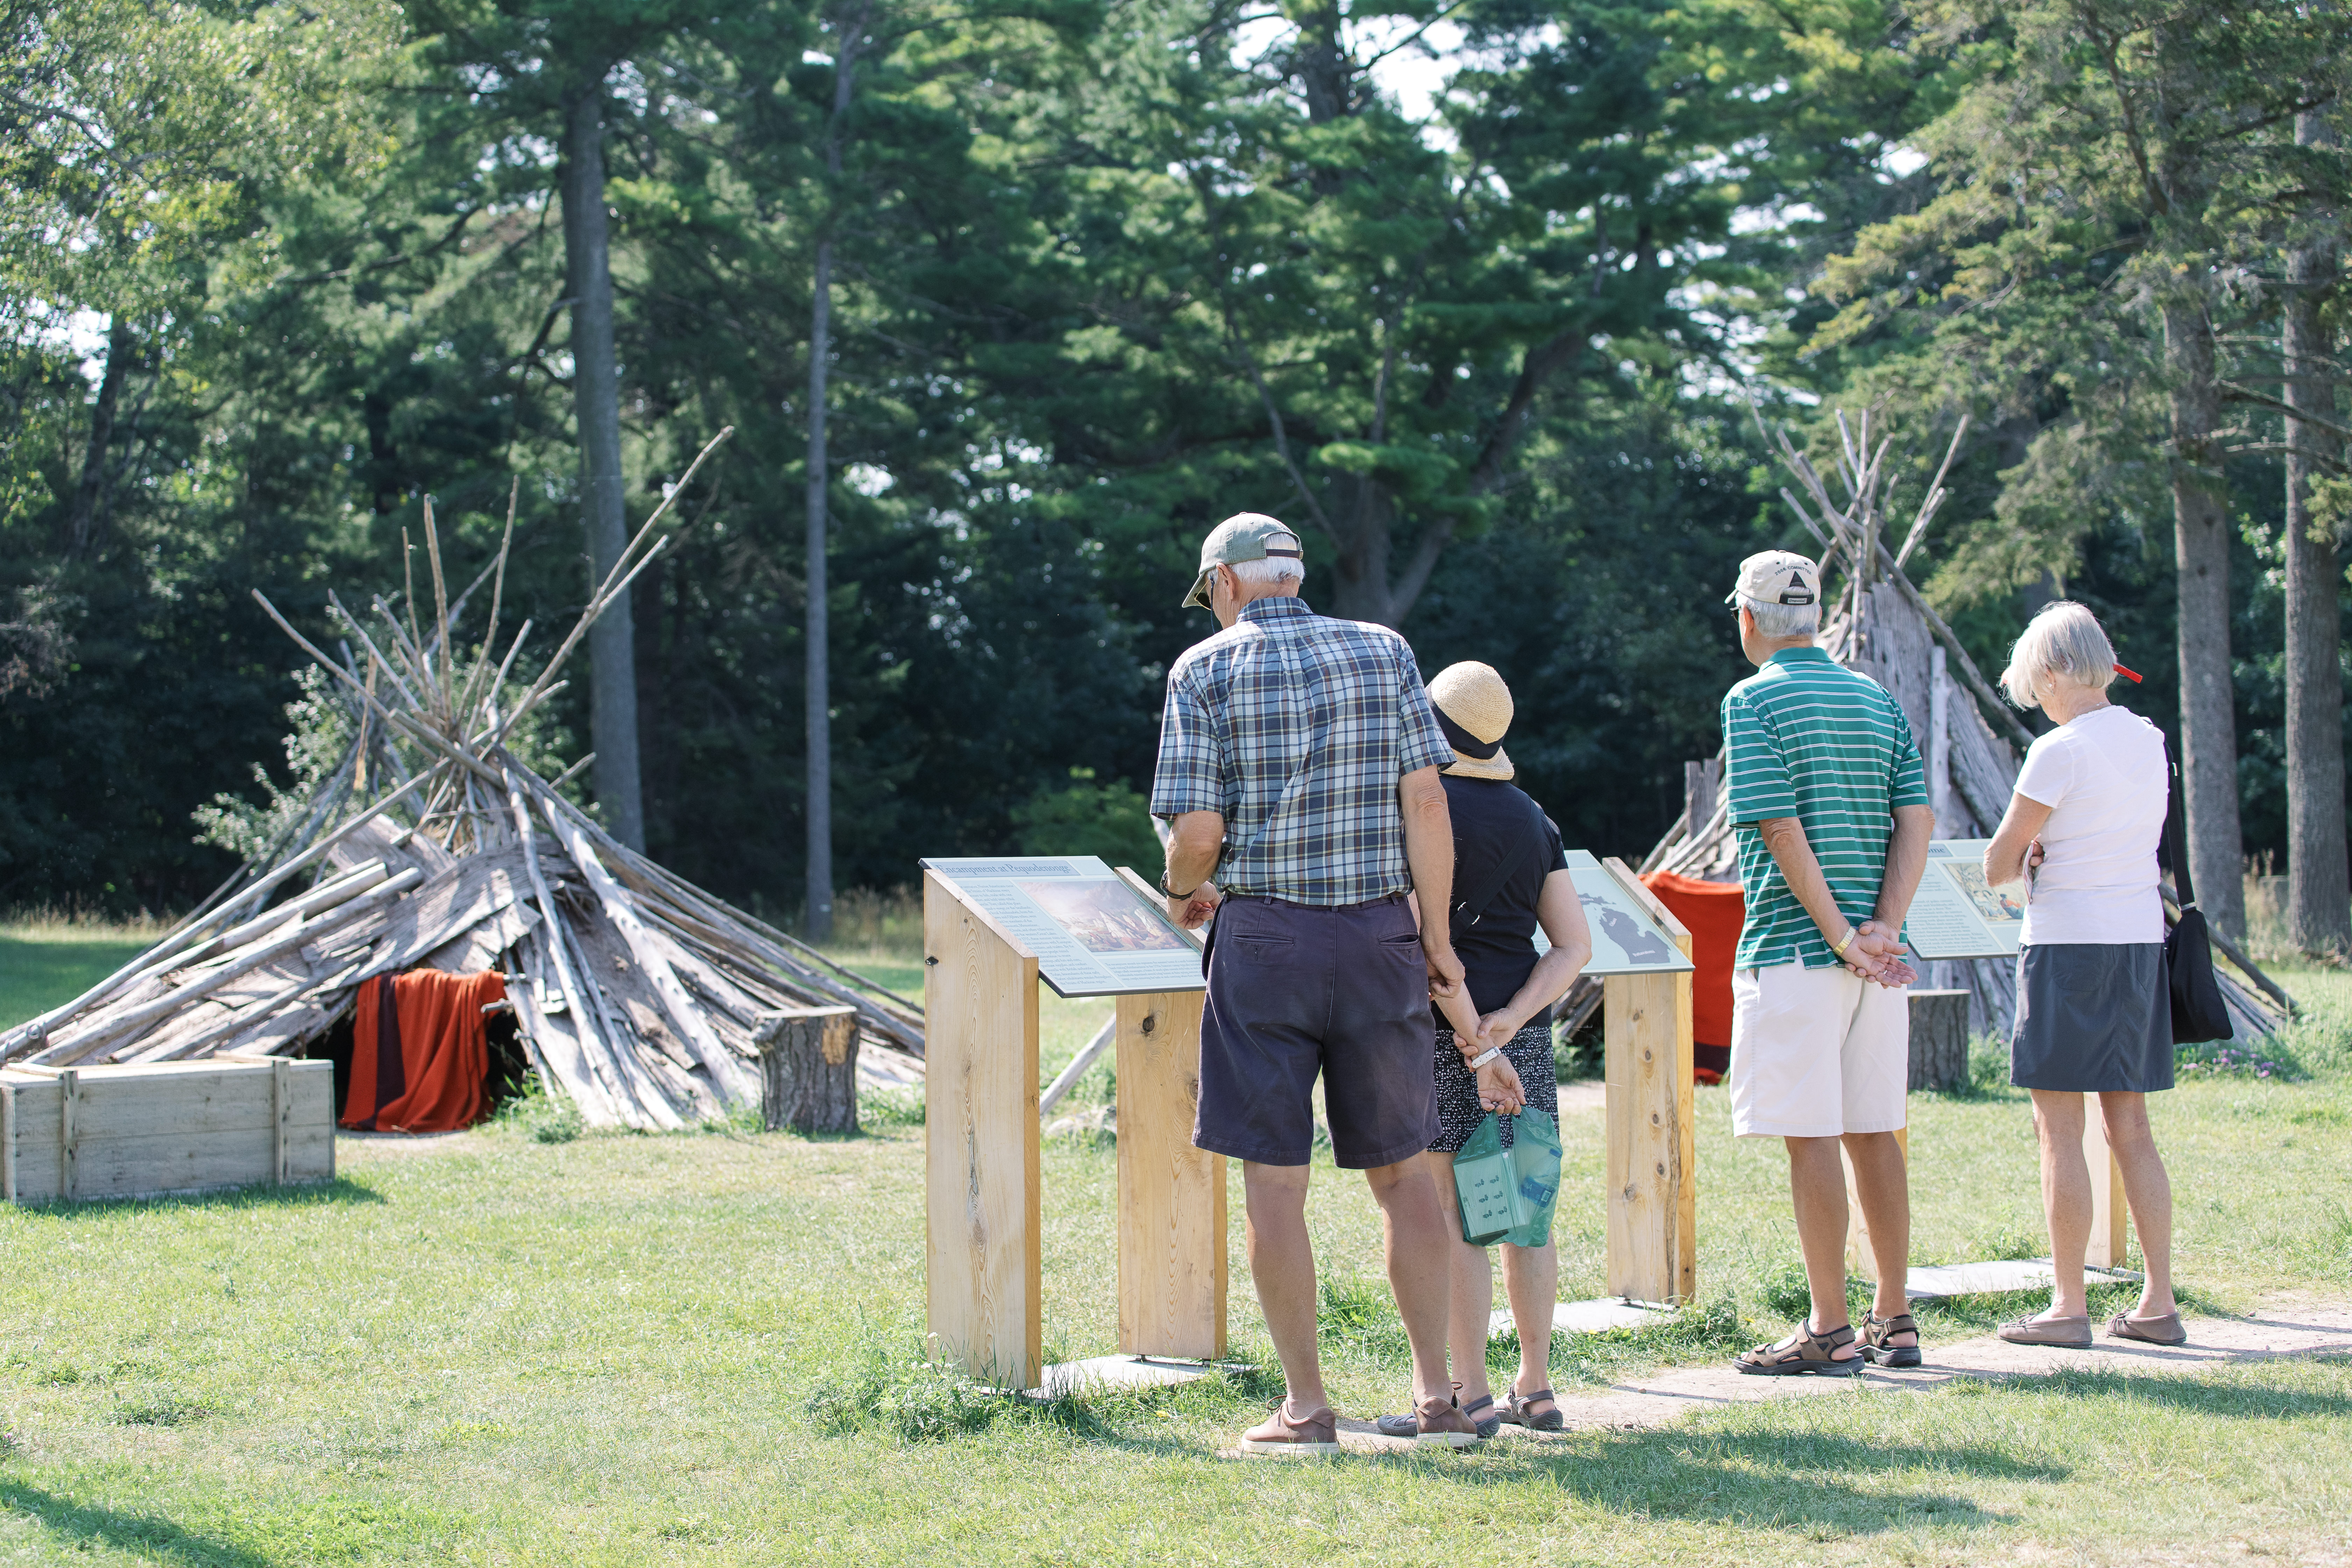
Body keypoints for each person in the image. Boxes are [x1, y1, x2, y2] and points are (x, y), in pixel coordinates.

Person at [1149, 513, 1479, 1453]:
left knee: (1275, 1181)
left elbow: (1198, 833)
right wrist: (1436, 937)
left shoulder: (1203, 670)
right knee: (1404, 1173)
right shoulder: (1385, 650)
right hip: (1380, 934)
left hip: (1265, 941)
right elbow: (1428, 799)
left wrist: (1181, 888)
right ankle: (1439, 1400)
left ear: (1225, 582)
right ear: (1293, 575)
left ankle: (1307, 1409)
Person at [1718, 550, 1935, 1376]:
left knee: (1810, 1135)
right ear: (1815, 614)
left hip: (1797, 948)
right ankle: (1895, 1315)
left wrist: (1844, 936)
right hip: (1878, 958)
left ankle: (1830, 1324)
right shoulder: (1876, 697)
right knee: (1876, 1129)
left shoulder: (1752, 699)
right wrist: (1884, 928)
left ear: (1749, 618)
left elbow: (1778, 827)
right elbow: (1916, 817)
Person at [1370, 661, 1593, 1441]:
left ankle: (1470, 1392)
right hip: (1519, 1035)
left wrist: (1473, 1036)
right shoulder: (1534, 818)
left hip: (1441, 1031)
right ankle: (1537, 1385)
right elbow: (1573, 945)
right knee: (1526, 1207)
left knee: (1452, 1209)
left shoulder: (1416, 809)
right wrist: (1510, 1021)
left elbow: (1426, 946)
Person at [1984, 602, 2186, 1348]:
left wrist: (2030, 854)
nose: (2036, 693)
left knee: (2058, 1129)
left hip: (2066, 946)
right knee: (2131, 1126)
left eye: (2034, 679)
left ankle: (2069, 1305)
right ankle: (2158, 1301)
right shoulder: (2150, 738)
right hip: (2137, 941)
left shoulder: (2057, 751)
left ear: (2054, 670)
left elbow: (1999, 863)